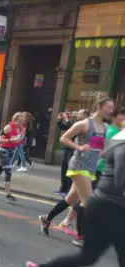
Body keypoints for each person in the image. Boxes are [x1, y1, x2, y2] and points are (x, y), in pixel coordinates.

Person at [22, 106, 125, 267]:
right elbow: (121, 180)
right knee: (87, 257)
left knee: (91, 258)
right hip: (109, 208)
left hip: (113, 208)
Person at [39, 97, 113, 246]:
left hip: (91, 166)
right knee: (88, 200)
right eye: (108, 108)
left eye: (112, 109)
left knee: (71, 200)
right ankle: (81, 236)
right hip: (78, 165)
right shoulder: (84, 124)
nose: (110, 111)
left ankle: (47, 219)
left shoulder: (105, 127)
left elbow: (99, 149)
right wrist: (78, 147)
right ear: (99, 106)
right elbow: (63, 138)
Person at [0, 112, 24, 203]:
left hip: (12, 151)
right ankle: (8, 195)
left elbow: (20, 138)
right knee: (8, 172)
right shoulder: (8, 127)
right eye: (19, 121)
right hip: (3, 150)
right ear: (14, 120)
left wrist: (20, 139)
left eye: (23, 121)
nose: (21, 123)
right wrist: (10, 139)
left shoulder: (22, 128)